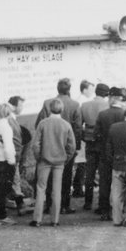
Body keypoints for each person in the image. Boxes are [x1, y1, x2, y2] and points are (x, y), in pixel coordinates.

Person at [35, 78, 82, 214]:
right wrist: (75, 148)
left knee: (48, 178)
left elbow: (39, 123)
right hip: (66, 146)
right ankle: (64, 205)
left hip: (48, 146)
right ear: (69, 90)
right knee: (66, 177)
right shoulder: (75, 104)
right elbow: (78, 128)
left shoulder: (47, 103)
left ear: (57, 88)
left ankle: (49, 204)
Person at [31, 98, 77, 227]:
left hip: (44, 160)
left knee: (41, 189)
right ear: (62, 109)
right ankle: (55, 220)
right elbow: (71, 146)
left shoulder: (43, 123)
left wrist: (38, 157)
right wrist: (66, 158)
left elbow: (36, 144)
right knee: (57, 190)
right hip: (59, 162)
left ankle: (37, 219)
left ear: (49, 108)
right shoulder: (66, 125)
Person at [94, 87, 126, 216]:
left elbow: (96, 134)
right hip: (122, 153)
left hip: (104, 153)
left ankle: (104, 209)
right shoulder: (125, 114)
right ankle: (119, 209)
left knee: (104, 181)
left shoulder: (103, 114)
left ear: (112, 99)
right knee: (121, 183)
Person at [80, 83, 110, 211]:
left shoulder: (85, 105)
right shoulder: (107, 106)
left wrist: (84, 137)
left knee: (90, 173)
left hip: (89, 141)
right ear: (107, 94)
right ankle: (102, 203)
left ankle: (87, 202)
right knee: (103, 174)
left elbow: (78, 125)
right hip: (103, 142)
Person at [72, 80, 95, 199]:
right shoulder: (82, 102)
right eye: (91, 89)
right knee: (82, 162)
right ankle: (78, 187)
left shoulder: (80, 101)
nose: (92, 91)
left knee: (82, 162)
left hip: (81, 133)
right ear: (85, 89)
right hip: (83, 134)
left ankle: (78, 186)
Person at [7, 95, 27, 215]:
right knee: (14, 180)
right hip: (13, 155)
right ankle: (20, 205)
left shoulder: (11, 118)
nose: (22, 108)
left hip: (12, 155)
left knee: (11, 180)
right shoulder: (10, 120)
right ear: (13, 106)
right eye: (21, 105)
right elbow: (14, 140)